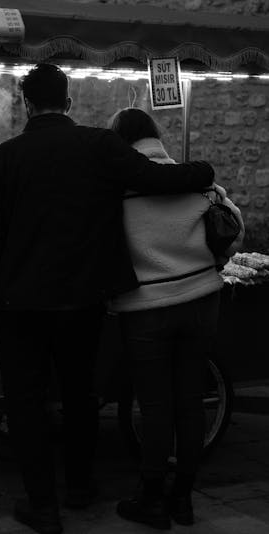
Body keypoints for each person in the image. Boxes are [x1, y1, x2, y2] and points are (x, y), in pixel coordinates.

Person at [0, 64, 216, 534]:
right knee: (80, 394)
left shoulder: (1, 159)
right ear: (68, 102)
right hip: (82, 299)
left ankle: (43, 505)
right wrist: (204, 170)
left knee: (26, 401)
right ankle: (80, 486)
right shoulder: (99, 145)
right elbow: (156, 179)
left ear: (26, 104)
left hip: (19, 303)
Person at [108, 108, 244, 530]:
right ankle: (182, 499)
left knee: (155, 405)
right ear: (156, 137)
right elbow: (234, 225)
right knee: (188, 401)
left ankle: (151, 497)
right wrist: (216, 260)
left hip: (147, 309)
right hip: (202, 300)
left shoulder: (118, 189)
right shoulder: (197, 180)